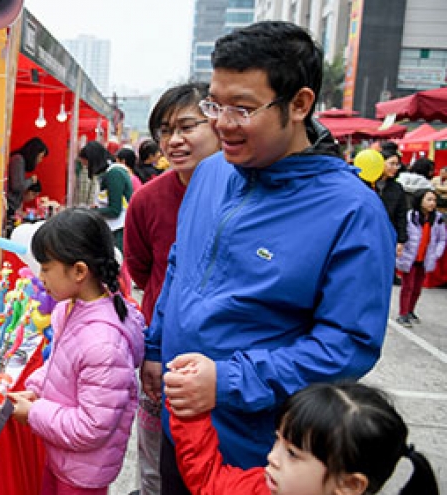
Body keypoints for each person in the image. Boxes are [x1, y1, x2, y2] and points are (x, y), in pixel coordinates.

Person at [140, 21, 396, 495]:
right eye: (215, 104)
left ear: (299, 104)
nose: (222, 123)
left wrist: (228, 380)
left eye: (243, 108)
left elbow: (347, 346)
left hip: (256, 456)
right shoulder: (212, 174)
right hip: (183, 428)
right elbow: (180, 264)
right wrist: (156, 348)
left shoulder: (352, 212)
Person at [123, 82, 220, 495]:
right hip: (164, 356)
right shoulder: (148, 199)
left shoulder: (249, 192)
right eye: (165, 130)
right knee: (158, 464)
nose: (174, 140)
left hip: (226, 361)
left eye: (187, 126)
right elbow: (143, 273)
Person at [7, 207, 145, 495]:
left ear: (79, 271)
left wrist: (34, 413)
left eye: (46, 268)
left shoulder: (103, 344)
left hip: (82, 472)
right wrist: (35, 389)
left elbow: (92, 427)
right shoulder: (71, 308)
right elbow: (62, 364)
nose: (40, 276)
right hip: (62, 452)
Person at [164, 361, 439, 495]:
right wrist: (190, 413)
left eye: (293, 453)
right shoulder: (259, 486)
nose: (272, 457)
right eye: (278, 441)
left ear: (350, 484)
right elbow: (208, 480)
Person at [395, 189, 446, 327]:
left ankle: (411, 310)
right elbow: (402, 233)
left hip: (425, 257)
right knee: (408, 286)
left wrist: (436, 253)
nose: (432, 203)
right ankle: (403, 313)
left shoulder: (437, 219)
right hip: (410, 257)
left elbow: (442, 239)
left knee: (417, 287)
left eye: (434, 200)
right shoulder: (410, 216)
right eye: (428, 199)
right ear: (420, 200)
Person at [80, 141, 133, 252]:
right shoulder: (109, 174)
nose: (86, 168)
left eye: (86, 165)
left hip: (119, 230)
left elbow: (115, 210)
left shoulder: (115, 174)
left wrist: (92, 212)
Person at [375, 148, 408, 259]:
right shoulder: (367, 184)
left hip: (388, 236)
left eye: (397, 164)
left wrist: (401, 240)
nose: (395, 168)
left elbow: (401, 215)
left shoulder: (397, 188)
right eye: (391, 164)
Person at [5, 137, 48, 221]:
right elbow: (17, 186)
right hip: (9, 205)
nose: (40, 160)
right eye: (40, 157)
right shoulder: (18, 160)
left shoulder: (20, 161)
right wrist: (31, 180)